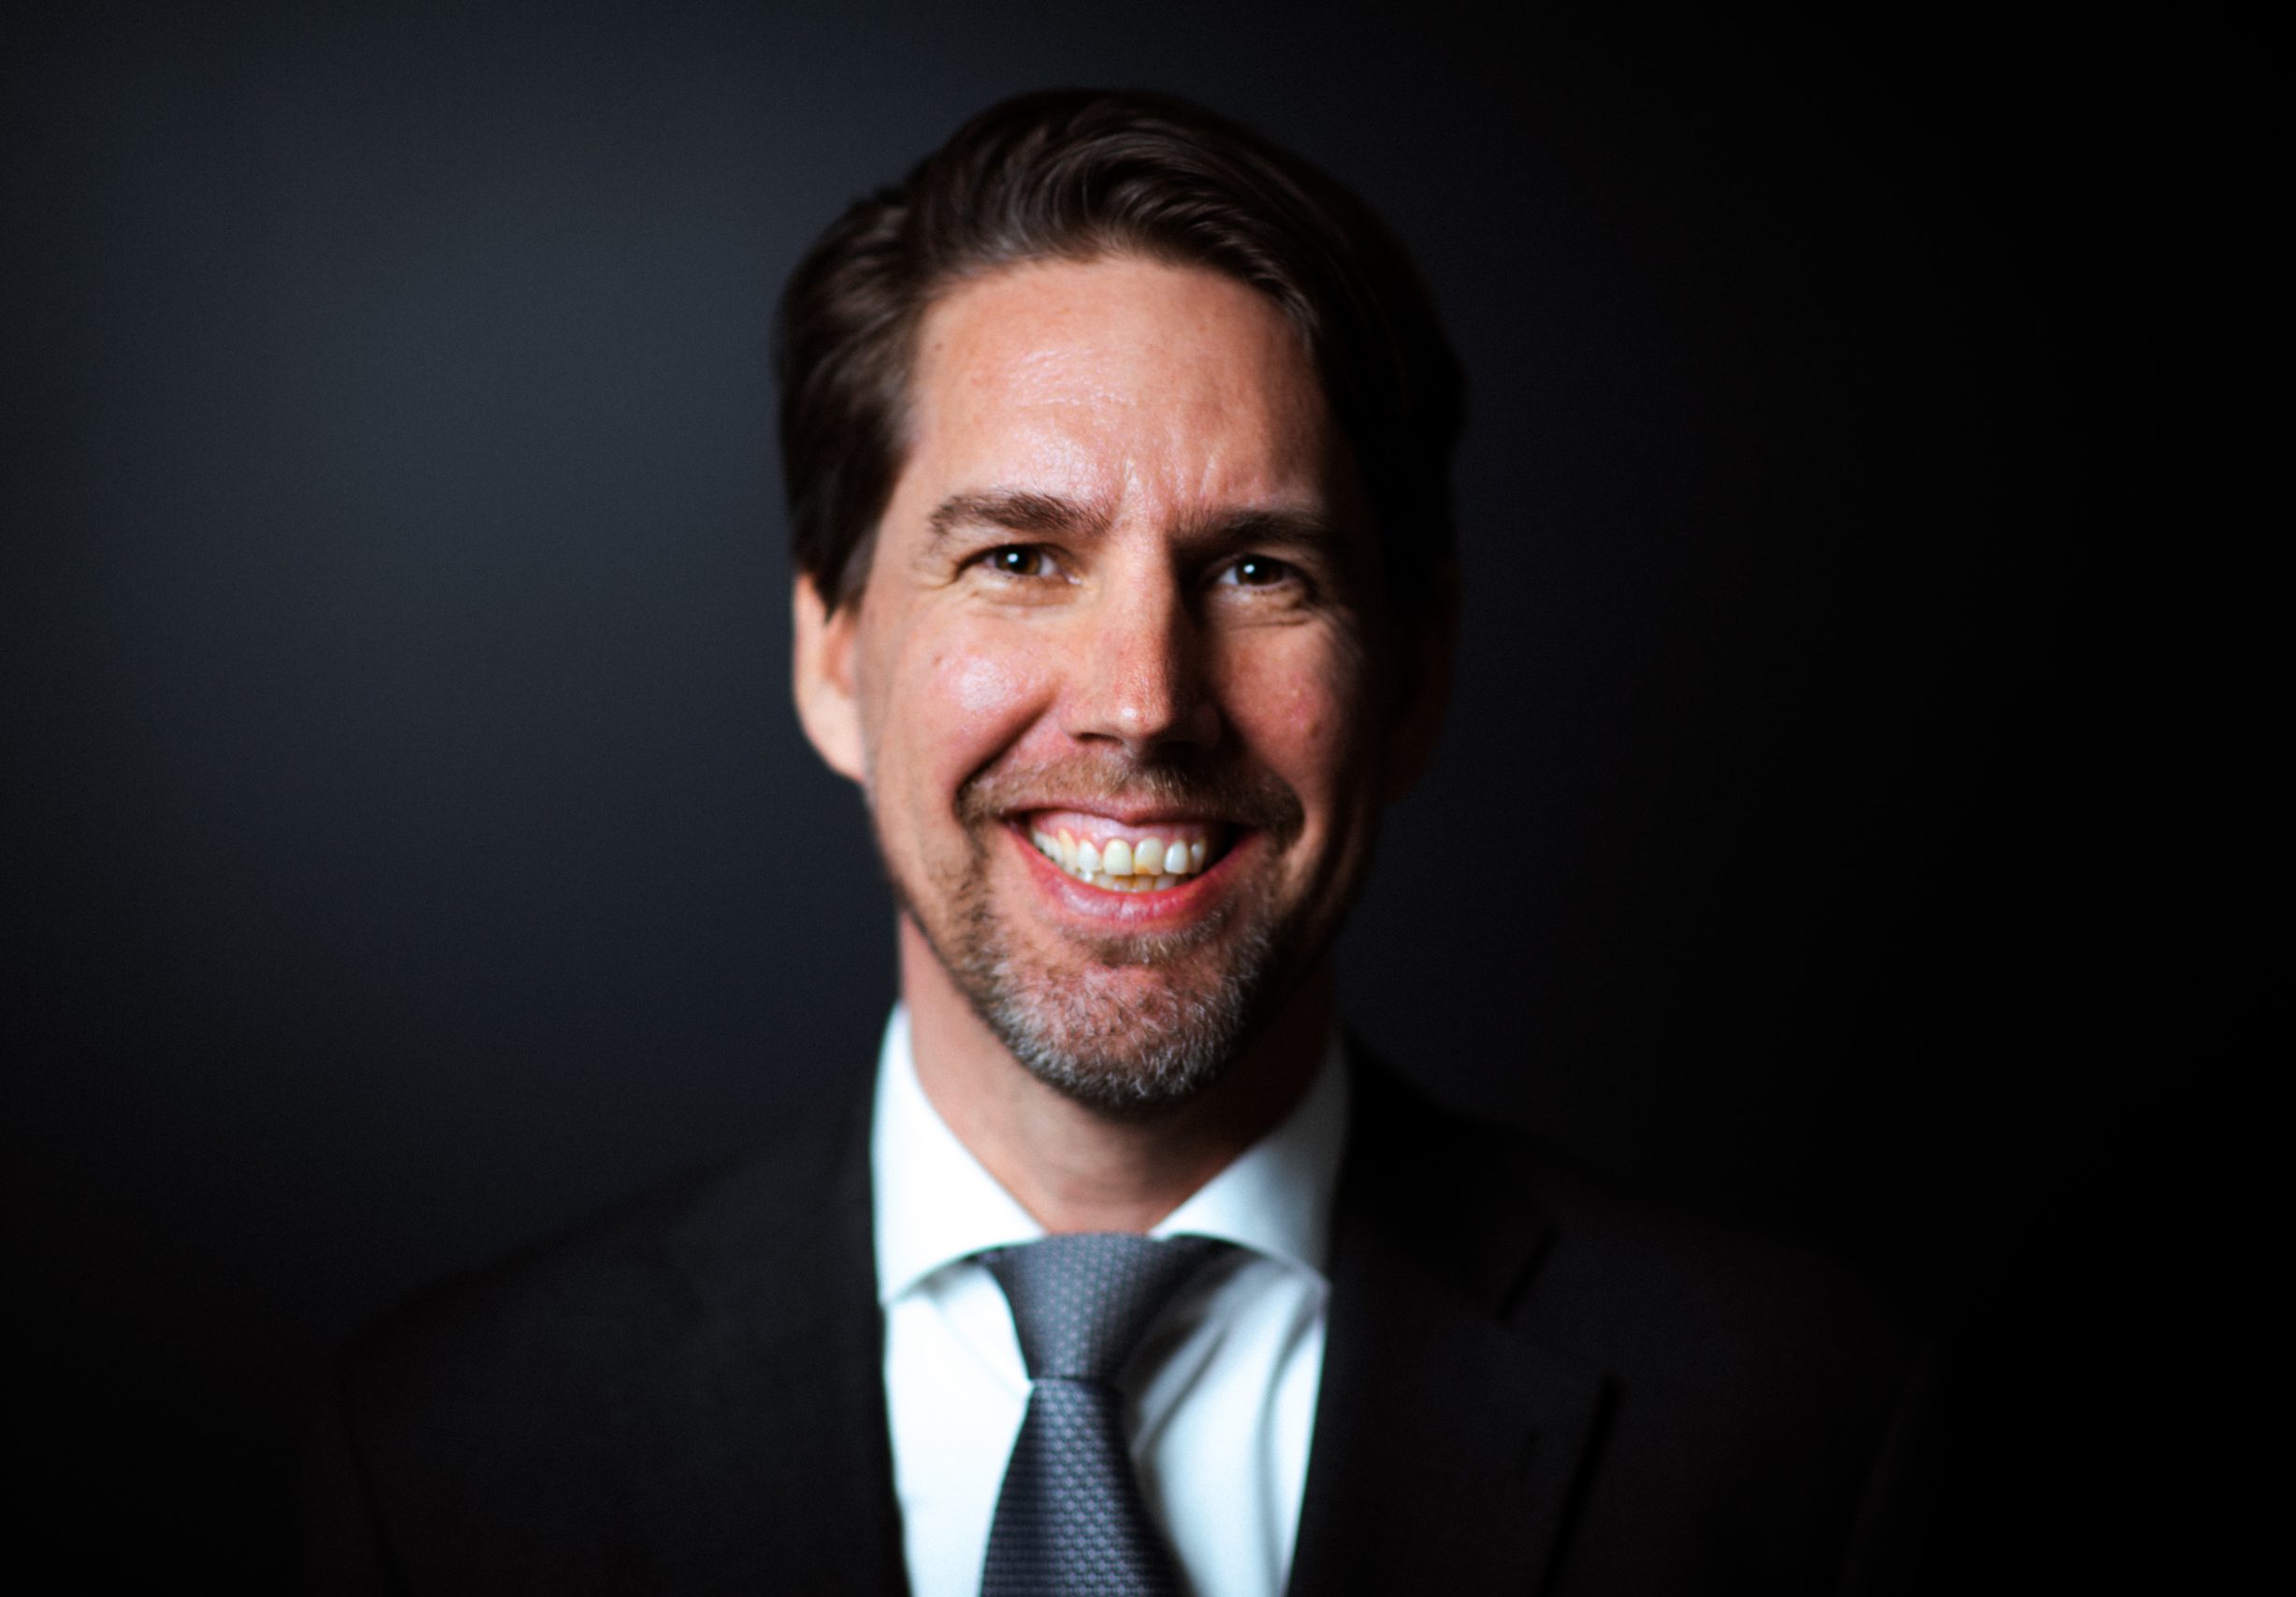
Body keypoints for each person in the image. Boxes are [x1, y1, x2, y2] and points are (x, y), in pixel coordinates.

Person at [298, 90, 1936, 1596]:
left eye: (1260, 571)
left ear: (1416, 678)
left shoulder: (1802, 1438)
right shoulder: (449, 1460)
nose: (1143, 704)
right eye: (1019, 559)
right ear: (832, 654)